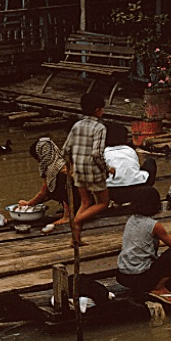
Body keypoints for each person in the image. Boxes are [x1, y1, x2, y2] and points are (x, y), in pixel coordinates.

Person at [116, 187, 171, 304]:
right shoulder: (154, 225)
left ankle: (151, 284)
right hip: (140, 277)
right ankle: (158, 287)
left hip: (123, 276)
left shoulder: (131, 220)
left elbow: (148, 242)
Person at [62, 93, 112, 244]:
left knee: (85, 202)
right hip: (93, 172)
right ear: (97, 110)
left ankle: (75, 239)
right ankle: (76, 221)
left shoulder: (76, 126)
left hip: (78, 171)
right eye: (102, 109)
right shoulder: (100, 127)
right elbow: (97, 154)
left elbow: (66, 150)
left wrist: (71, 167)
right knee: (103, 203)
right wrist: (106, 168)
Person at [19, 137, 77, 225]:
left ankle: (68, 216)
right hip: (79, 199)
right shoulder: (59, 161)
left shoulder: (55, 168)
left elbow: (44, 193)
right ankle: (71, 211)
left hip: (78, 196)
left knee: (62, 181)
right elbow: (48, 193)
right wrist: (30, 204)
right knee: (55, 188)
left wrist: (28, 204)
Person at [104, 122, 157, 205]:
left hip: (113, 191)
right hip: (137, 188)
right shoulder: (130, 150)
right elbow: (135, 167)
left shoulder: (104, 152)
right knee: (150, 162)